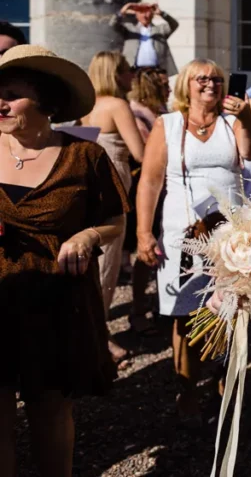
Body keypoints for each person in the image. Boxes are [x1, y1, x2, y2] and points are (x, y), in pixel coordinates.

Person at [0, 45, 129, 477]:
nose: (0, 102)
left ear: (46, 102)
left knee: (51, 411)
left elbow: (115, 218)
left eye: (12, 93)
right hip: (0, 299)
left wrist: (87, 235)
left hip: (56, 302)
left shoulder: (84, 156)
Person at [135, 59, 251, 423]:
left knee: (232, 311)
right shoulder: (168, 124)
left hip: (230, 233)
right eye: (201, 78)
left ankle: (226, 382)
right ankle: (187, 388)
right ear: (185, 86)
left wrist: (248, 116)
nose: (210, 84)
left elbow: (250, 153)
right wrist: (144, 232)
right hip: (183, 235)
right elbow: (150, 181)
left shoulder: (231, 120)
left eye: (217, 79)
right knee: (186, 317)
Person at [81, 51, 146, 365]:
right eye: (127, 70)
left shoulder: (86, 106)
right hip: (113, 184)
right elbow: (140, 153)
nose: (132, 75)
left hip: (85, 186)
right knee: (107, 261)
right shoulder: (118, 105)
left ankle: (92, 329)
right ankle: (99, 335)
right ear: (116, 74)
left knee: (92, 259)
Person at [125, 67, 170, 335]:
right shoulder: (138, 112)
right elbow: (145, 152)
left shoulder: (160, 110)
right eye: (164, 84)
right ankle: (137, 309)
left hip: (166, 187)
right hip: (145, 186)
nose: (170, 89)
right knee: (145, 249)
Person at [109, 2, 179, 75]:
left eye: (147, 12)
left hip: (156, 71)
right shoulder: (129, 28)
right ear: (136, 14)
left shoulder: (160, 29)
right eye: (141, 12)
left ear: (152, 14)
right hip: (133, 70)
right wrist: (122, 11)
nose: (144, 16)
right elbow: (113, 24)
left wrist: (161, 13)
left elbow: (174, 24)